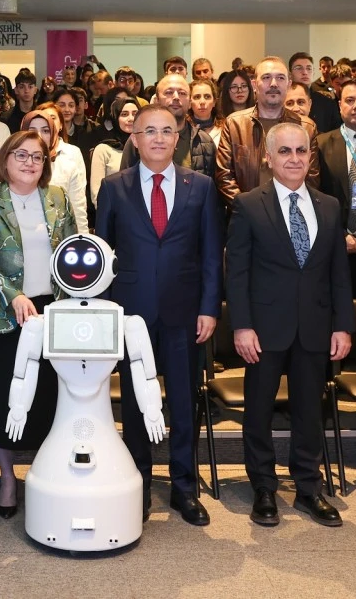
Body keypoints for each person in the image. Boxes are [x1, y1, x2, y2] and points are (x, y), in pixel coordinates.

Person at [96, 103, 222, 526]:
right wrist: (108, 313)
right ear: (134, 139)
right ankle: (140, 485)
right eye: (149, 131)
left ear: (177, 137)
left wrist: (209, 308)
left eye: (167, 130)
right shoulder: (114, 187)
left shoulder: (200, 186)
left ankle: (184, 487)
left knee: (184, 403)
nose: (158, 138)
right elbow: (105, 257)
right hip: (131, 314)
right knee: (135, 404)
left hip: (185, 313)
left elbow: (211, 254)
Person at [227, 122, 353, 527]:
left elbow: (338, 273)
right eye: (285, 151)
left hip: (316, 326)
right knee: (258, 410)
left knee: (310, 412)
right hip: (264, 329)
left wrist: (343, 325)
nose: (294, 158)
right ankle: (263, 488)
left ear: (310, 156)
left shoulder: (329, 206)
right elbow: (237, 273)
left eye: (301, 151)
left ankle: (308, 488)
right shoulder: (248, 204)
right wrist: (242, 326)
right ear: (268, 157)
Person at [0, 131, 76, 517]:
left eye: (37, 156)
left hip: (50, 311)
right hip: (3, 313)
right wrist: (13, 295)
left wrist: (68, 302)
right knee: (3, 398)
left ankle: (46, 474)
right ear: (6, 160)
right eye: (21, 155)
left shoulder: (58, 198)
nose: (30, 162)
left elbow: (71, 253)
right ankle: (8, 479)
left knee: (48, 397)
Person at [216, 57, 319, 208]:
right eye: (266, 78)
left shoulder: (306, 127)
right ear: (254, 85)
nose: (273, 84)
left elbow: (312, 178)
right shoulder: (234, 124)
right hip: (246, 213)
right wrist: (249, 209)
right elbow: (224, 176)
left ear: (288, 84)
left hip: (291, 212)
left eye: (280, 78)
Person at [315, 77, 356, 299]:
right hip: (336, 249)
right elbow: (315, 196)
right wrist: (339, 235)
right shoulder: (320, 144)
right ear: (339, 105)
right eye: (349, 100)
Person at [120, 74, 216, 178]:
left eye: (182, 93)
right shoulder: (139, 137)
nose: (176, 97)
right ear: (156, 100)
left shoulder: (204, 141)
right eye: (169, 92)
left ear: (189, 103)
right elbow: (125, 181)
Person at [22, 106, 88, 232]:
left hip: (58, 234)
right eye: (32, 130)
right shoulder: (14, 164)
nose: (39, 135)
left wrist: (81, 238)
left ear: (53, 133)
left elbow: (78, 209)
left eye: (46, 131)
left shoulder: (68, 166)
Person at [90, 97, 140, 208]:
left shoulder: (147, 147)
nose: (131, 118)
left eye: (135, 114)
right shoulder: (103, 149)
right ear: (115, 118)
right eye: (124, 114)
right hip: (114, 213)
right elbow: (97, 194)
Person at [290, 52, 342, 133]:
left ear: (313, 72)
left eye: (309, 68)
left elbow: (335, 134)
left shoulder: (328, 103)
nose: (305, 72)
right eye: (299, 68)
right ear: (290, 74)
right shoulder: (282, 100)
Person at [189, 78, 224, 147]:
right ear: (189, 102)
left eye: (207, 97)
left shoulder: (225, 129)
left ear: (214, 102)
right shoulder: (183, 129)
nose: (202, 102)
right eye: (197, 97)